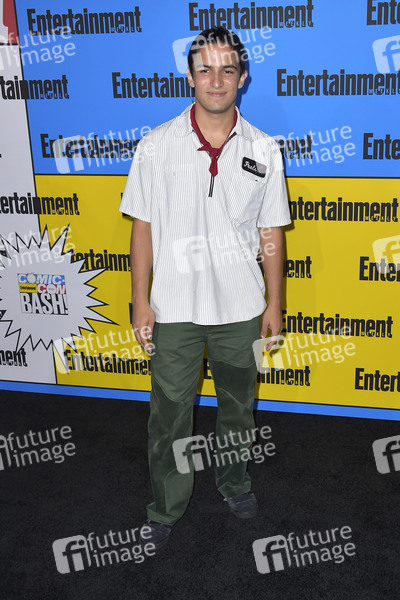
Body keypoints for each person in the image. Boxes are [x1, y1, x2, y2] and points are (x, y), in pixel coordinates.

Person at [119, 26, 291, 550]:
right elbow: (143, 227)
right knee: (169, 415)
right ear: (189, 76)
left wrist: (275, 303)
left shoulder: (264, 148)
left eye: (227, 69)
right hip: (174, 306)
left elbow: (271, 232)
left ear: (243, 77)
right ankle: (165, 507)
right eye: (205, 69)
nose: (216, 80)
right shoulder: (155, 145)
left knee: (238, 406)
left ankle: (234, 482)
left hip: (242, 305)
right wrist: (141, 300)